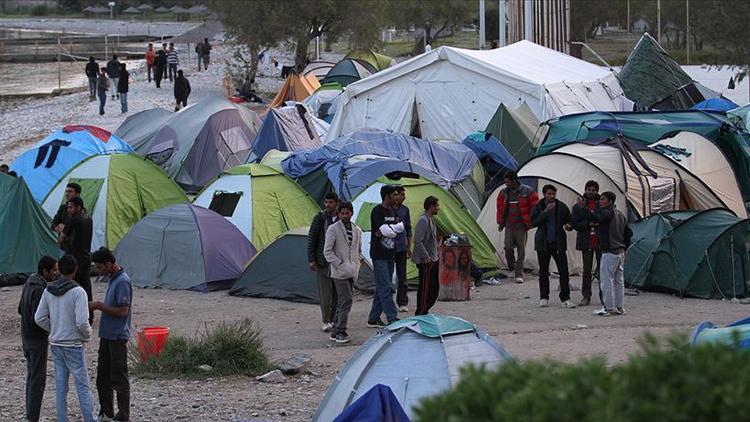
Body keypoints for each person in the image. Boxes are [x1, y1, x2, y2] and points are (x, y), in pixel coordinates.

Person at [34, 254, 97, 422]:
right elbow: (82, 321)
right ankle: (90, 418)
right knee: (82, 385)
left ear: (59, 270)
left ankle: (62, 418)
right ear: (75, 270)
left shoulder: (49, 290)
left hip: (56, 343)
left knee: (61, 386)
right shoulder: (78, 291)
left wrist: (54, 329)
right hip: (74, 344)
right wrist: (88, 334)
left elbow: (39, 318)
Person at [90, 248, 132, 422]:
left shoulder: (123, 281)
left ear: (109, 264)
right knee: (103, 377)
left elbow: (123, 311)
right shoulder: (113, 279)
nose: (99, 271)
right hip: (106, 335)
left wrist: (99, 306)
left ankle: (123, 415)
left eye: (100, 267)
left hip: (117, 336)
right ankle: (106, 413)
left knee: (118, 377)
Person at [18, 256, 59, 422]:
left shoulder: (29, 283)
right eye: (54, 270)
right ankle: (33, 416)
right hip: (36, 341)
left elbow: (20, 309)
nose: (56, 273)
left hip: (26, 338)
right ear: (45, 271)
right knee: (37, 379)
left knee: (32, 376)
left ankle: (30, 414)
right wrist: (54, 330)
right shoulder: (40, 290)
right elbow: (39, 318)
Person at [323, 202, 363, 344]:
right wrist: (339, 264)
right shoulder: (333, 229)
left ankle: (335, 330)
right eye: (342, 213)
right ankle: (341, 330)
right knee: (347, 299)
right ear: (339, 214)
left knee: (342, 301)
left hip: (353, 270)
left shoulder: (357, 229)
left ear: (351, 213)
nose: (345, 215)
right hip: (339, 272)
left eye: (347, 213)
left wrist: (358, 262)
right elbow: (327, 251)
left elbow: (358, 249)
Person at [531, 184, 576, 308]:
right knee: (543, 271)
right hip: (543, 244)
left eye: (553, 194)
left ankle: (565, 298)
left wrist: (569, 225)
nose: (551, 196)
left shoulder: (561, 206)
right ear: (544, 194)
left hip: (558, 243)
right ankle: (544, 297)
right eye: (549, 194)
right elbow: (534, 222)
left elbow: (570, 220)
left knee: (564, 271)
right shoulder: (539, 206)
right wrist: (545, 212)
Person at [591, 191, 632, 316]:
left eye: (603, 199)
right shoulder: (620, 214)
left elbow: (597, 218)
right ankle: (620, 307)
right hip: (620, 252)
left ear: (610, 201)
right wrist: (625, 247)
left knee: (606, 281)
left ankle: (609, 307)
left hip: (609, 251)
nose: (600, 201)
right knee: (619, 281)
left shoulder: (607, 213)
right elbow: (629, 233)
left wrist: (584, 209)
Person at [496, 172, 539, 283]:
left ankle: (519, 273)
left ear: (514, 181)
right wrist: (501, 223)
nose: (506, 184)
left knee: (521, 249)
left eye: (508, 182)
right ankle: (512, 267)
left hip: (521, 225)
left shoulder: (528, 191)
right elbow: (500, 208)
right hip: (509, 225)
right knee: (508, 247)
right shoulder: (504, 193)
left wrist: (530, 222)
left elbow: (535, 207)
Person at [368, 185, 401, 328]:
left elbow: (399, 229)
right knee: (386, 287)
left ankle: (373, 318)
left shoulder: (394, 211)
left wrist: (390, 230)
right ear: (387, 196)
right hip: (379, 254)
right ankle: (392, 318)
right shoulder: (377, 211)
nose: (397, 197)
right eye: (394, 195)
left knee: (382, 287)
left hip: (390, 253)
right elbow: (383, 231)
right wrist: (390, 230)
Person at [308, 192, 340, 332]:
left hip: (338, 262)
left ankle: (334, 319)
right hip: (322, 262)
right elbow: (312, 239)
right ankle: (326, 320)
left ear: (336, 203)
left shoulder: (341, 218)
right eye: (326, 202)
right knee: (325, 293)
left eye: (331, 202)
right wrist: (312, 259)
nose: (328, 205)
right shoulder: (320, 218)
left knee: (337, 294)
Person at [59, 196, 94, 323]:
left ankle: (76, 315)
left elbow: (62, 237)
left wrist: (63, 241)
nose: (69, 210)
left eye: (71, 207)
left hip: (75, 257)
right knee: (86, 286)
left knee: (73, 286)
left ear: (78, 207)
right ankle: (89, 314)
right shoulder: (88, 219)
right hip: (86, 256)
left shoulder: (73, 220)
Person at [570, 180, 602, 306]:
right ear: (585, 190)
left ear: (597, 191)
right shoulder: (578, 206)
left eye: (593, 190)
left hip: (600, 241)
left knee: (602, 270)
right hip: (586, 241)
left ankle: (604, 296)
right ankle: (586, 296)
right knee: (587, 270)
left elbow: (605, 219)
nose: (591, 192)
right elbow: (575, 224)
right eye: (589, 189)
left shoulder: (602, 203)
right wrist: (588, 224)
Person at [413, 196, 440, 315]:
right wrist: (426, 257)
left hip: (433, 258)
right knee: (425, 288)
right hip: (426, 261)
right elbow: (418, 240)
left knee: (433, 288)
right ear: (431, 206)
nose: (438, 208)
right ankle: (421, 311)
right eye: (437, 206)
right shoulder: (423, 220)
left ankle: (425, 309)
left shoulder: (431, 220)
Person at [393, 186, 412, 312]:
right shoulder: (386, 209)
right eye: (402, 195)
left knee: (402, 276)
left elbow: (408, 229)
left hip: (401, 246)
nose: (404, 197)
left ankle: (402, 302)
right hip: (388, 247)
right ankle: (387, 302)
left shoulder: (405, 210)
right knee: (388, 276)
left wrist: (409, 246)